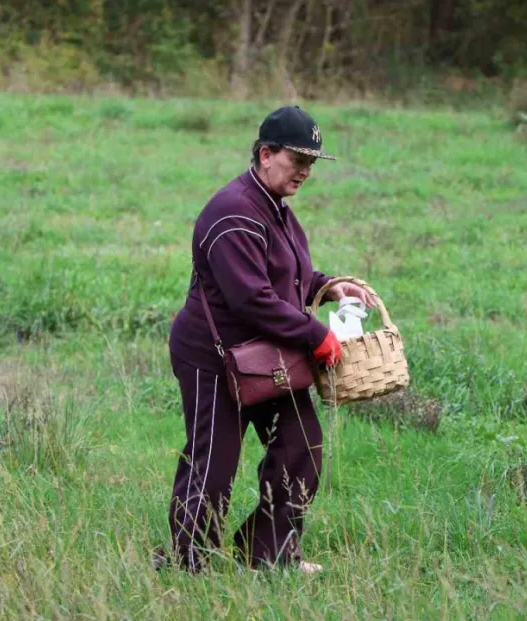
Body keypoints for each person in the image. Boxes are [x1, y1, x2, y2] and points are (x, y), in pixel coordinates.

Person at [157, 105, 376, 574]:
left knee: (302, 448)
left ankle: (266, 555)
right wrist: (318, 335)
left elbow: (285, 273)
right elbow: (252, 299)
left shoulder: (274, 207)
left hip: (268, 355)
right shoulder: (234, 212)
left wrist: (328, 285)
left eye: (312, 162)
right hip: (213, 357)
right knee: (213, 463)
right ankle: (186, 563)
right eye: (297, 159)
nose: (305, 170)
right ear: (265, 154)